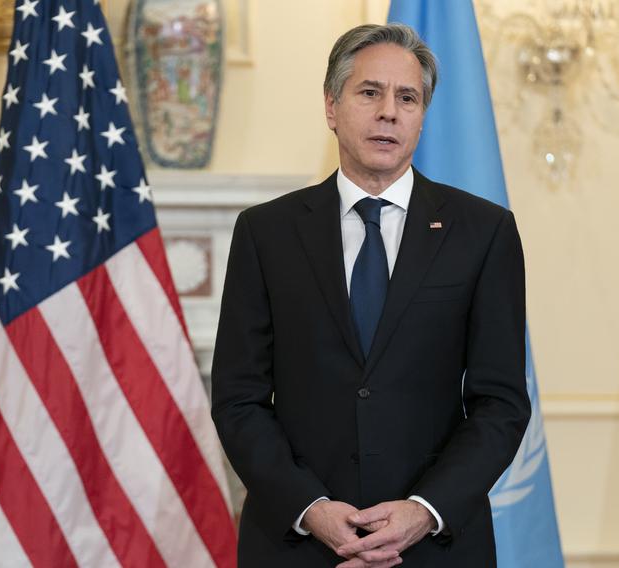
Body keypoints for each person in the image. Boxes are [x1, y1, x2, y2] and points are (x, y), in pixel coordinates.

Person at [211, 23, 530, 567]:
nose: (390, 111)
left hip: (434, 546)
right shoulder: (266, 232)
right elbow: (238, 399)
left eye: (407, 97)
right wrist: (310, 508)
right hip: (298, 545)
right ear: (332, 107)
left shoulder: (484, 231)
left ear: (423, 115)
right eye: (370, 92)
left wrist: (423, 510)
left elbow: (500, 403)